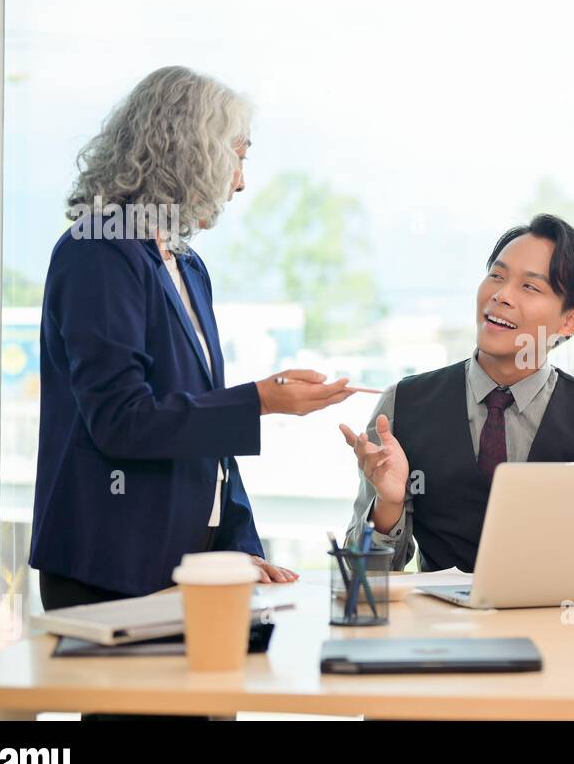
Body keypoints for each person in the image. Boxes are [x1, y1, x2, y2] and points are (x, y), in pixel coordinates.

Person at [31, 66, 357, 612]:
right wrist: (260, 401)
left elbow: (202, 433)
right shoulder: (99, 249)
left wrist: (237, 547)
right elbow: (121, 420)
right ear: (192, 151)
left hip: (197, 566)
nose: (241, 181)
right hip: (115, 565)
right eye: (239, 155)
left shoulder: (186, 265)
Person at [342, 214, 574, 572]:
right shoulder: (402, 405)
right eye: (497, 276)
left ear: (568, 321)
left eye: (530, 287)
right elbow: (361, 578)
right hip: (441, 626)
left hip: (562, 624)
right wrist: (388, 504)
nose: (501, 296)